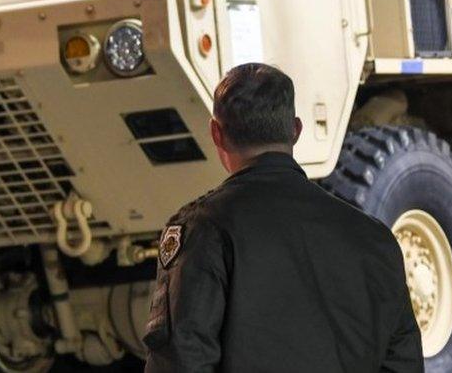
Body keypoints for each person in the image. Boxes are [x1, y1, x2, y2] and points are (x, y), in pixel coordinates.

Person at [143, 63, 422, 372]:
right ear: (296, 130)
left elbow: (183, 358)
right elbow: (402, 361)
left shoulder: (204, 229)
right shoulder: (375, 239)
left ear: (216, 134)